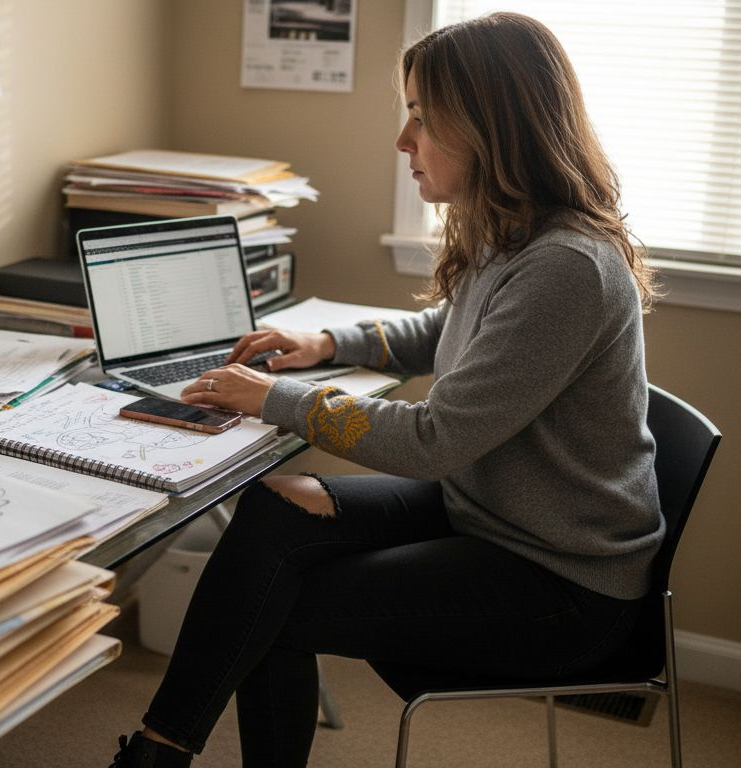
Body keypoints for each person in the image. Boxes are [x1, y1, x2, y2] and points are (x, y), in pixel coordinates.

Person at [109, 12, 663, 768]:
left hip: (561, 584)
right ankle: (159, 751)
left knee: (273, 610)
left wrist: (270, 397)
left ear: (491, 128)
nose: (403, 141)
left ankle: (154, 756)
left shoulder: (567, 267)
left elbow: (433, 442)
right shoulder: (516, 234)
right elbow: (448, 330)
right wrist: (327, 343)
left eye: (420, 119)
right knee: (273, 511)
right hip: (488, 513)